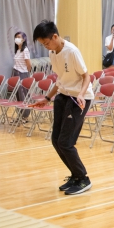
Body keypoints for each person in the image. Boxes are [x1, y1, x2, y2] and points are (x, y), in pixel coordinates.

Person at [33, 20, 93, 195]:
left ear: (55, 36)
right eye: (43, 44)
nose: (46, 47)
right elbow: (60, 79)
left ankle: (83, 178)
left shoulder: (72, 51)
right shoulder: (53, 52)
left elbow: (86, 76)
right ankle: (75, 176)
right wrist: (47, 98)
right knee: (56, 140)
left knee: (66, 142)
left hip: (78, 98)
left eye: (46, 43)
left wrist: (81, 94)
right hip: (63, 96)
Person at [12, 31, 32, 102]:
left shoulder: (25, 50)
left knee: (23, 93)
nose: (17, 39)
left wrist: (26, 74)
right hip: (16, 72)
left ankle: (25, 108)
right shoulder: (18, 50)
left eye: (19, 37)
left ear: (23, 39)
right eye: (16, 37)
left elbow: (29, 64)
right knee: (17, 93)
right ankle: (20, 108)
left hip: (22, 73)